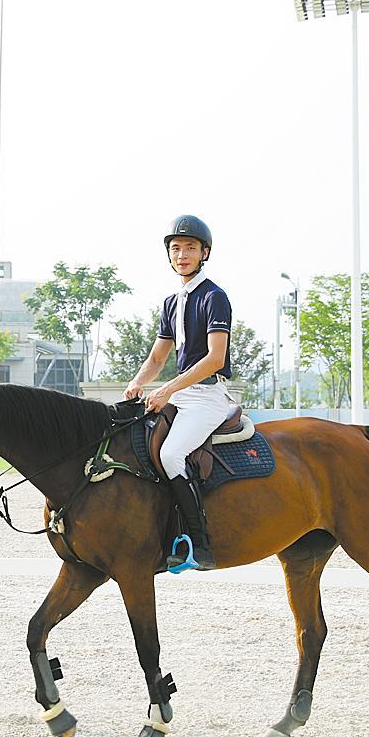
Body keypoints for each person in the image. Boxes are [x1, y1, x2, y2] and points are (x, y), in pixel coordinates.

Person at [123, 214, 235, 572]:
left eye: (190, 248)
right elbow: (158, 357)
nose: (182, 254)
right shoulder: (172, 303)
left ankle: (199, 545)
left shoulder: (215, 297)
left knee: (171, 454)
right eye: (176, 248)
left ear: (204, 253)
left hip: (207, 396)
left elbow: (215, 359)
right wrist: (138, 381)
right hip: (182, 394)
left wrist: (167, 389)